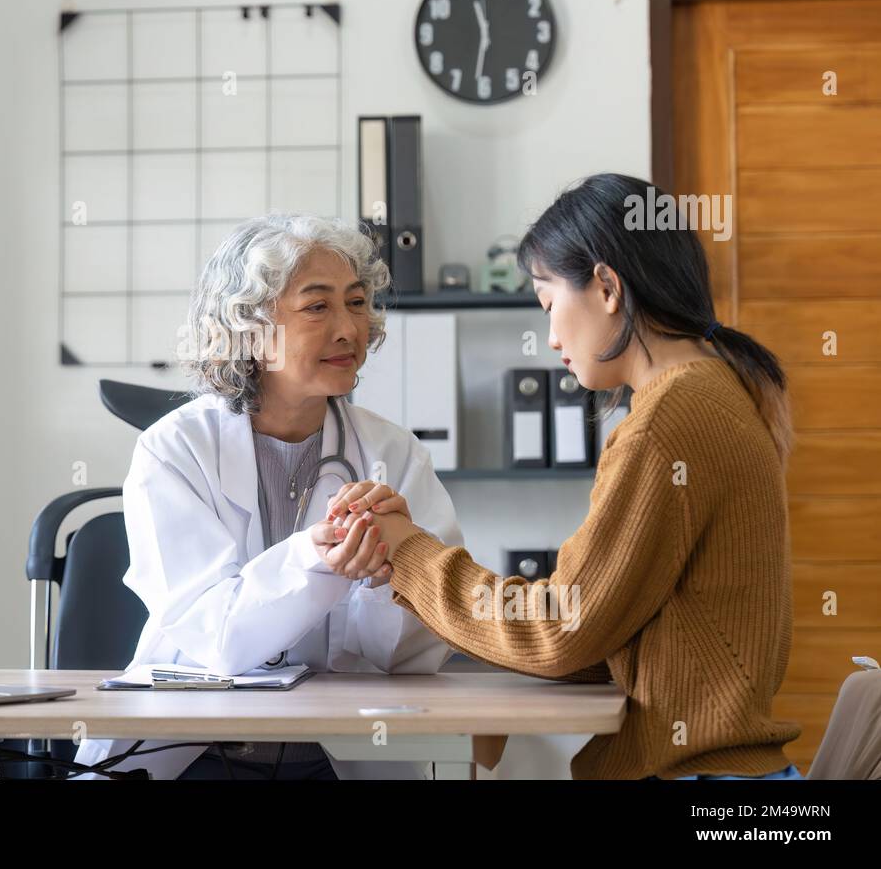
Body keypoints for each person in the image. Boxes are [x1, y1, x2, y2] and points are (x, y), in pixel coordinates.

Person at [324, 173, 804, 780]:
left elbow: (560, 629)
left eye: (550, 305)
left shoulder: (669, 418)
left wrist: (409, 552)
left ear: (606, 286)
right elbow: (603, 631)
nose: (550, 338)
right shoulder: (715, 391)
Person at [72, 213, 463, 780]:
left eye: (356, 303)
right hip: (193, 750)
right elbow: (217, 639)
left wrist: (393, 575)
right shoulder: (174, 449)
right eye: (317, 306)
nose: (349, 329)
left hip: (336, 754)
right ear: (248, 326)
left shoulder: (394, 453)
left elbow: (416, 658)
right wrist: (316, 560)